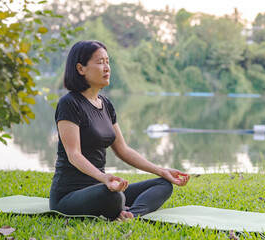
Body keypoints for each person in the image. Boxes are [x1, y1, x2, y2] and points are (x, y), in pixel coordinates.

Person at [49, 40, 190, 221]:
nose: (107, 68)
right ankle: (120, 207)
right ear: (80, 68)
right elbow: (73, 154)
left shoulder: (105, 104)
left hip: (102, 187)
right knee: (114, 196)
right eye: (100, 62)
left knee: (163, 184)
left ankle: (130, 214)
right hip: (69, 195)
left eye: (108, 61)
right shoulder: (69, 103)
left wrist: (162, 170)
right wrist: (102, 177)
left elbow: (123, 149)